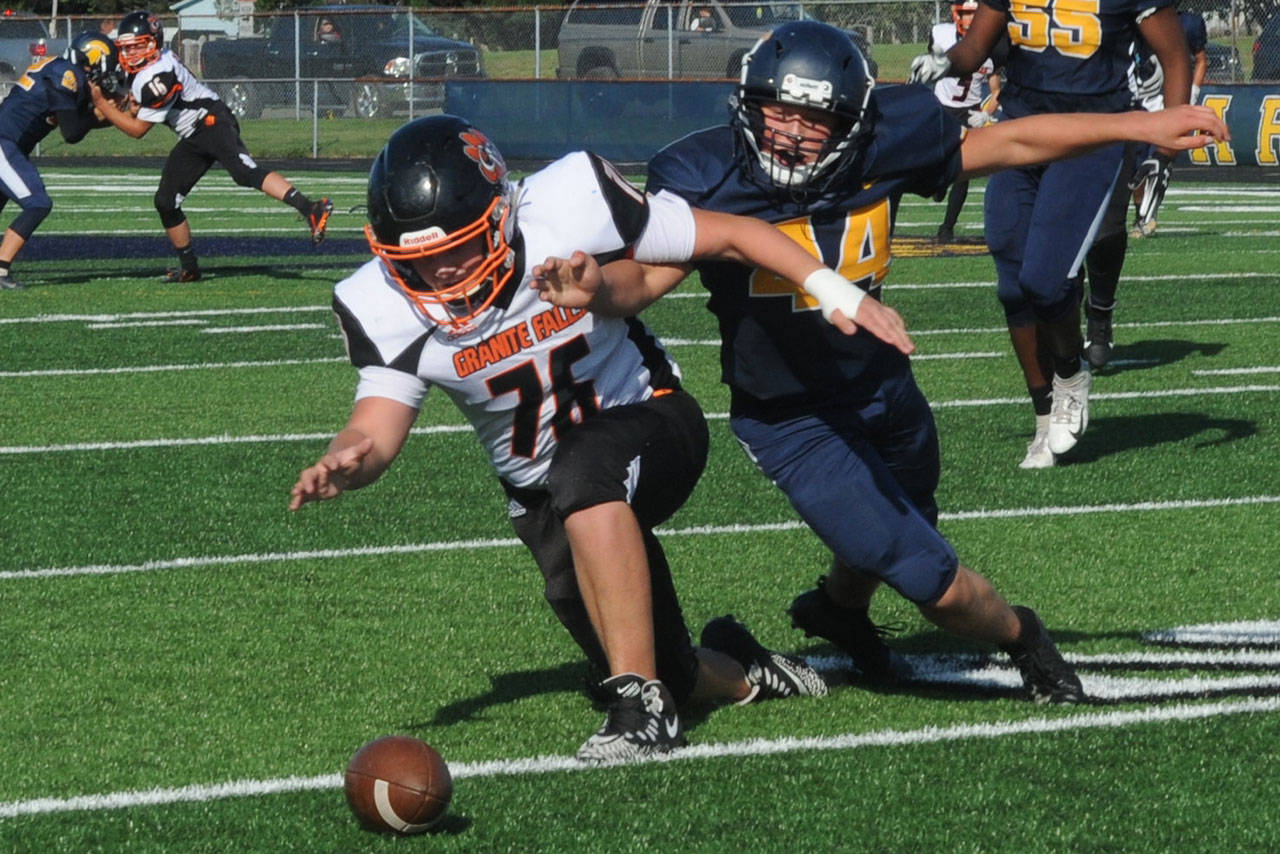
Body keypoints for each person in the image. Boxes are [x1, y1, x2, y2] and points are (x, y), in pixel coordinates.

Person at [533, 22, 1225, 702]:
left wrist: (1137, 126)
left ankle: (837, 609)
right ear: (749, 103)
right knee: (929, 577)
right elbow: (644, 283)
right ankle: (1025, 638)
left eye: (814, 117)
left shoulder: (882, 144)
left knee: (905, 514)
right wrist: (596, 289)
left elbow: (1014, 139)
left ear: (853, 121)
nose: (790, 133)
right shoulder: (707, 174)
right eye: (777, 109)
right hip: (790, 417)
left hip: (885, 387)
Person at [287, 115, 920, 762]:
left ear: (502, 214)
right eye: (420, 260)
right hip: (541, 499)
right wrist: (348, 459)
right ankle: (742, 669)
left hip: (650, 418)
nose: (445, 272)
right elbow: (376, 427)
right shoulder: (380, 305)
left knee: (586, 479)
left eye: (459, 247)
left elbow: (733, 234)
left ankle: (638, 705)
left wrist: (834, 290)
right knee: (672, 668)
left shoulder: (569, 204)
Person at [910, 0, 1193, 468]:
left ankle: (1070, 374)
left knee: (1045, 280)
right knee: (1011, 281)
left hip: (1092, 136)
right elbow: (977, 45)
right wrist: (946, 61)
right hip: (1021, 130)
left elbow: (1176, 56)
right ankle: (1045, 417)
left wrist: (1168, 139)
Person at [90, 11, 333, 284]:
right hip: (193, 135)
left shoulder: (160, 73)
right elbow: (130, 102)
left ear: (154, 43)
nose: (132, 53)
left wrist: (101, 104)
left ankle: (311, 208)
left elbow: (137, 130)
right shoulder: (145, 70)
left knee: (243, 171)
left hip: (211, 121)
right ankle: (190, 268)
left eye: (138, 45)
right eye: (128, 47)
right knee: (166, 202)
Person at [0, 32, 130, 291]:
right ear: (94, 60)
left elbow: (78, 121)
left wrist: (109, 113)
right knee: (37, 203)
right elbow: (71, 132)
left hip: (9, 143)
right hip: (4, 143)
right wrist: (103, 109)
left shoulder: (62, 70)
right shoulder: (68, 76)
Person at [930, 0, 1004, 244]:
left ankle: (947, 228)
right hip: (942, 108)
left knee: (963, 171)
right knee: (933, 164)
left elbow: (996, 90)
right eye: (966, 14)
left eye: (975, 14)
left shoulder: (993, 46)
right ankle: (938, 183)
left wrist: (986, 113)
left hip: (969, 112)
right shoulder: (940, 34)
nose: (970, 20)